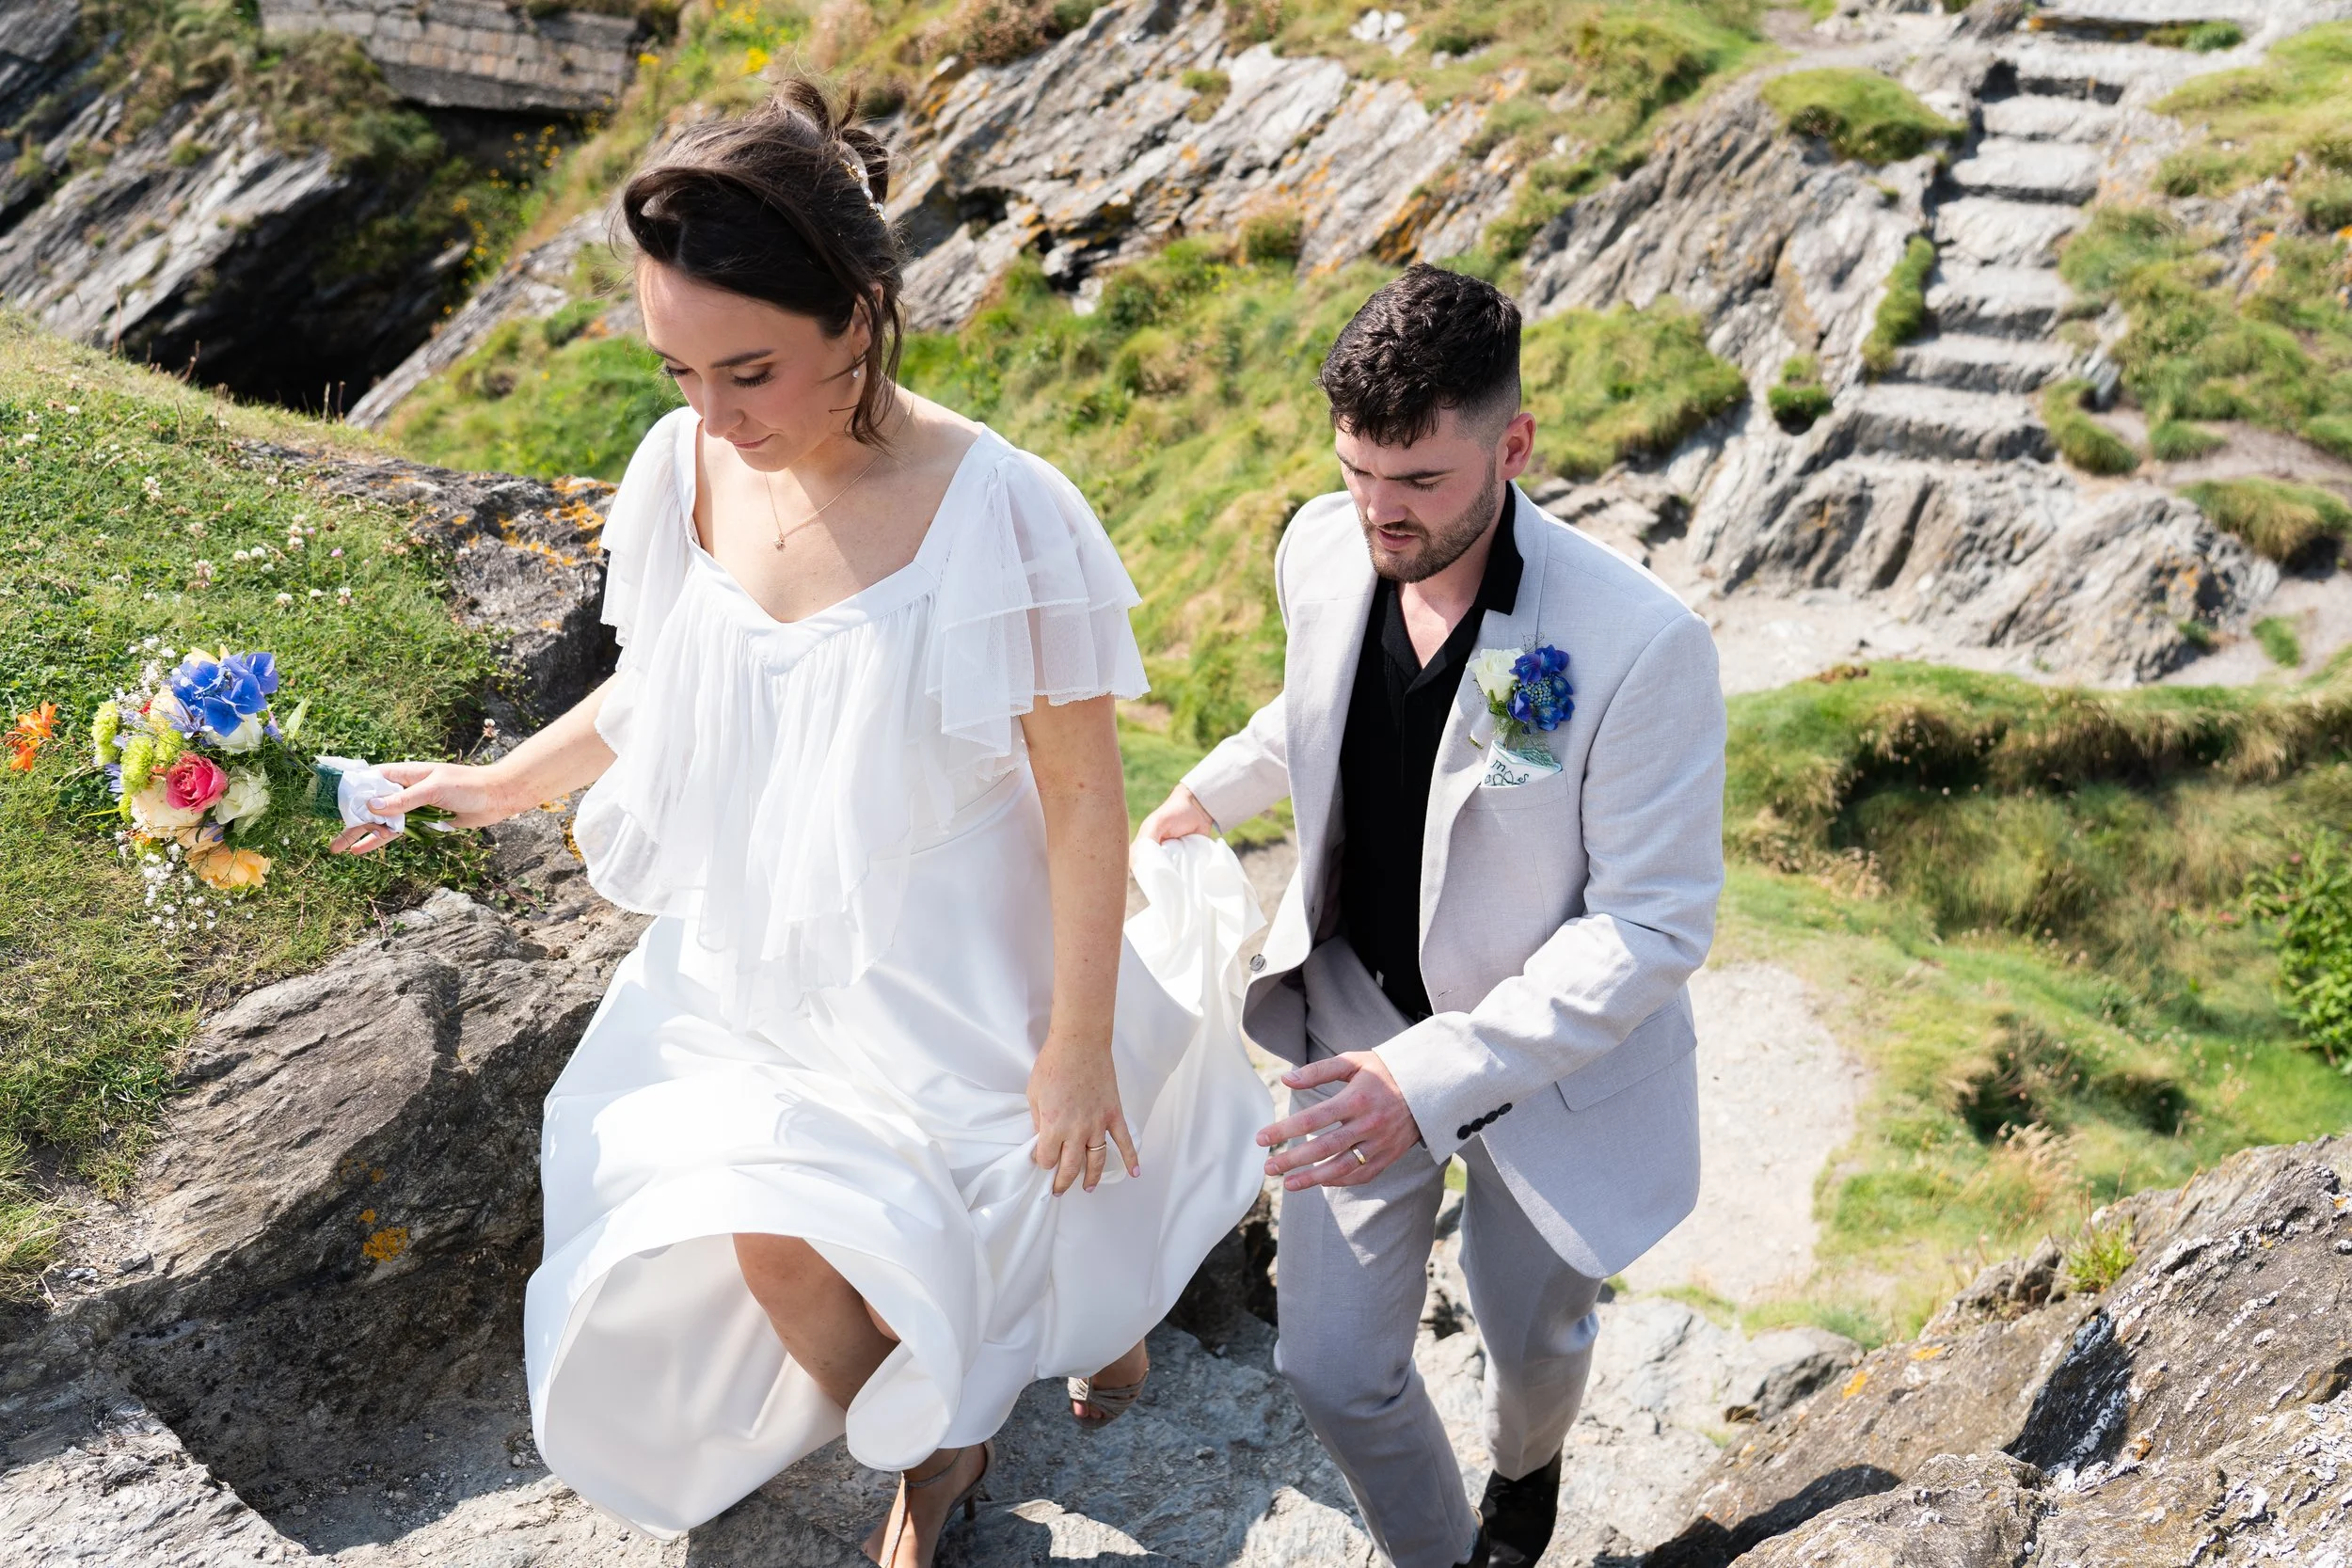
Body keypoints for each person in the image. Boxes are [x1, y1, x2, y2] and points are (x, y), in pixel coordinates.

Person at [330, 81, 1270, 1566]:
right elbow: (666, 685)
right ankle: (935, 1440)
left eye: (750, 368)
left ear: (859, 309)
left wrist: (1077, 1037)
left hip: (965, 956)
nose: (714, 413)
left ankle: (1101, 1337)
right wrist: (496, 784)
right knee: (761, 1222)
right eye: (680, 369)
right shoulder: (684, 463)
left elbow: (1086, 795)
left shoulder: (1002, 510)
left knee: (1057, 1206)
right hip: (759, 960)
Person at [1139, 263, 1726, 1568]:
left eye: (1420, 484)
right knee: (1333, 1366)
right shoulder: (1320, 541)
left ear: (1513, 445)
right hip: (1348, 1020)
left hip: (1545, 1072)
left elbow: (1653, 924)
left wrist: (1434, 1076)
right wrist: (1206, 794)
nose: (1379, 517)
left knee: (1533, 1344)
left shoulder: (1638, 642)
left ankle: (1531, 1466)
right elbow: (1308, 711)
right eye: (1358, 472)